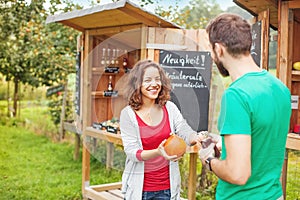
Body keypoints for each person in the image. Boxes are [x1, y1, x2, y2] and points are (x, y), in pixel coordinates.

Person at [198, 13, 292, 200]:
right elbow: (263, 140)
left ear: (219, 49)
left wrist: (209, 161)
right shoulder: (280, 88)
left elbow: (237, 174)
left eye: (211, 50)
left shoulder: (236, 95)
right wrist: (225, 145)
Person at [119, 59, 204, 200]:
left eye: (157, 79)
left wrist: (195, 137)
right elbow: (132, 152)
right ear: (137, 84)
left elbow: (183, 129)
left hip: (167, 189)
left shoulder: (170, 108)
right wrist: (158, 152)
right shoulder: (128, 114)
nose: (154, 84)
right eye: (147, 80)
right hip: (140, 190)